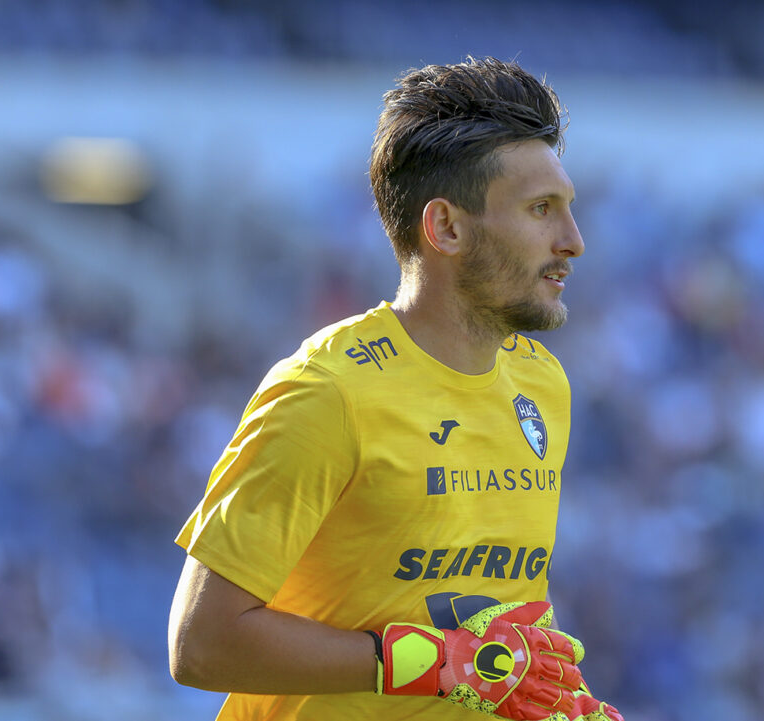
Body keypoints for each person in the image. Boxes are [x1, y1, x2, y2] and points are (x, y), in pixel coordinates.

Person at [167, 56, 622, 721]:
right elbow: (201, 645)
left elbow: (492, 627)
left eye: (568, 209)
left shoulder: (540, 381)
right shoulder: (326, 392)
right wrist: (431, 663)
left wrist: (556, 698)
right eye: (540, 210)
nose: (573, 241)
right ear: (446, 229)